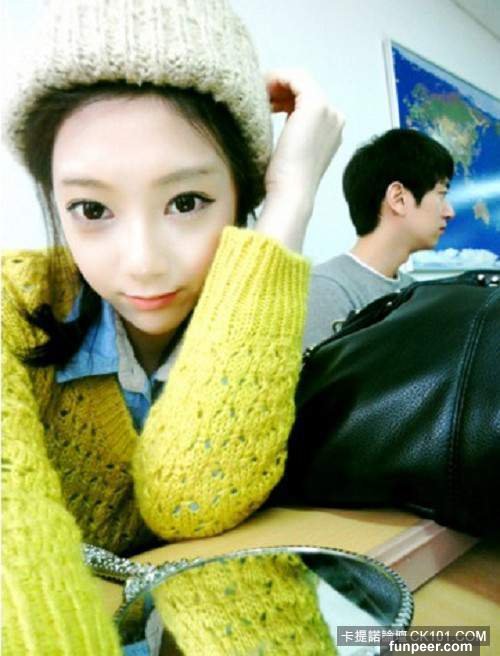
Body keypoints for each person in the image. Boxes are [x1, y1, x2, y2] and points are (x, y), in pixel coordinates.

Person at [1, 0, 344, 653]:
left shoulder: (275, 322)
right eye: (91, 209)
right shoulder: (9, 308)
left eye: (187, 201)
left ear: (242, 192)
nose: (143, 262)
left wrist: (292, 196)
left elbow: (189, 500)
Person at [304, 128, 455, 348]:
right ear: (398, 198)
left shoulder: (415, 291)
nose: (449, 212)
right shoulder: (325, 289)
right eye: (441, 194)